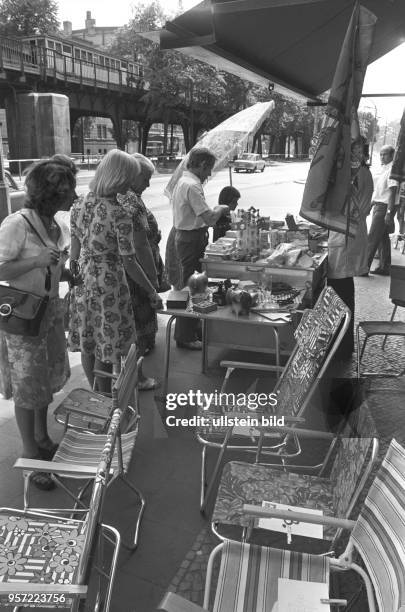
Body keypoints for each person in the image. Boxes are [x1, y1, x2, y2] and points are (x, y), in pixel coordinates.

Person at [0, 160, 77, 490]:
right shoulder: (17, 224)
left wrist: (67, 273)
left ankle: (43, 438)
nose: (75, 194)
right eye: (70, 188)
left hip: (48, 314)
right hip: (22, 318)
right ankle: (31, 457)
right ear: (53, 192)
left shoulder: (55, 225)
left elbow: (52, 265)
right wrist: (35, 260)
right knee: (27, 386)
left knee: (43, 381)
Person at [68, 149, 162, 392]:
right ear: (119, 177)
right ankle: (104, 400)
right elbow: (129, 261)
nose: (131, 184)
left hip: (83, 280)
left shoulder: (79, 203)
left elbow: (74, 249)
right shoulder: (118, 212)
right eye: (129, 178)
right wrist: (152, 289)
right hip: (109, 283)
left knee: (89, 342)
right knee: (106, 345)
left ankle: (96, 395)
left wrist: (75, 275)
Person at [172, 147, 230, 350]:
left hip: (191, 238)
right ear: (203, 165)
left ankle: (192, 329)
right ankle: (185, 335)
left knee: (196, 285)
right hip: (191, 240)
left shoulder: (186, 181)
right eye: (209, 170)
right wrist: (221, 208)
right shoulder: (191, 185)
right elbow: (211, 219)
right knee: (192, 286)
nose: (209, 174)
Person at [327, 137, 374, 359]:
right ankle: (339, 342)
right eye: (350, 151)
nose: (353, 155)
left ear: (363, 154)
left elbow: (357, 209)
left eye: (358, 151)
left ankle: (342, 346)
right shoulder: (349, 174)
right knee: (339, 289)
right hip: (341, 236)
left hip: (348, 237)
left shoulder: (361, 175)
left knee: (342, 292)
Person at [123, 152, 165, 360]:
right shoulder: (132, 201)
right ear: (133, 175)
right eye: (146, 179)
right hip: (138, 271)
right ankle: (136, 372)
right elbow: (140, 245)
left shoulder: (120, 197)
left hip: (131, 269)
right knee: (138, 320)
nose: (148, 184)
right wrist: (152, 280)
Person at [366, 145, 399, 275]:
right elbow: (379, 192)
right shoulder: (385, 169)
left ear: (392, 156)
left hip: (384, 207)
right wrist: (371, 204)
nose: (382, 156)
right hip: (379, 205)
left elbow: (392, 192)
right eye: (381, 154)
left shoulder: (392, 170)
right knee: (382, 238)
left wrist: (389, 213)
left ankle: (363, 268)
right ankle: (385, 267)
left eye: (385, 154)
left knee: (372, 238)